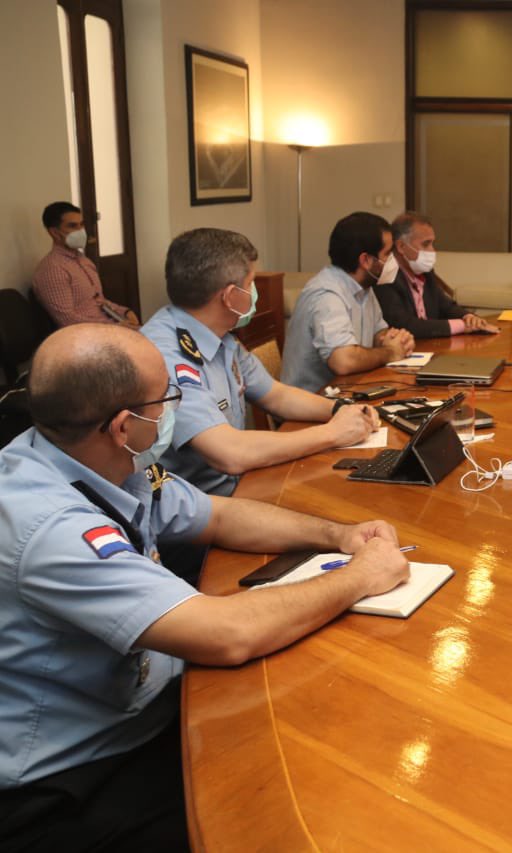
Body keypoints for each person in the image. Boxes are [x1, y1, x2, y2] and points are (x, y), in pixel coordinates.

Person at [0, 323, 409, 851]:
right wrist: (362, 577)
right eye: (167, 398)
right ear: (125, 425)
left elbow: (215, 515)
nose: (173, 409)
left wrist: (338, 535)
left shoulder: (98, 458)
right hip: (71, 778)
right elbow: (225, 633)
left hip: (140, 711)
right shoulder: (47, 524)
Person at [142, 228, 380, 498]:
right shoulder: (165, 356)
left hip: (242, 484)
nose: (255, 292)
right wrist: (333, 434)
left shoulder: (219, 336)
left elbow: (276, 396)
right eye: (251, 283)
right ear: (231, 296)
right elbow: (230, 454)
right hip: (200, 509)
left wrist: (343, 409)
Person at [281, 212, 416, 392]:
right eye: (387, 254)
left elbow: (378, 332)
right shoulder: (326, 295)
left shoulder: (365, 286)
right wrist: (390, 353)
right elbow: (343, 361)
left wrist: (395, 340)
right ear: (366, 260)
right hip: (309, 407)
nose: (393, 260)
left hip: (350, 392)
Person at [374, 211, 498, 338]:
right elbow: (404, 324)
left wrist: (468, 317)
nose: (432, 250)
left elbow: (446, 306)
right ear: (401, 246)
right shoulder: (385, 276)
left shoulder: (426, 272)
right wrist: (462, 325)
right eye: (426, 244)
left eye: (432, 243)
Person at [32, 201, 139, 328]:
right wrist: (115, 327)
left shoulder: (83, 261)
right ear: (54, 233)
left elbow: (98, 301)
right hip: (88, 336)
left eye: (81, 224)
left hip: (109, 326)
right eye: (72, 226)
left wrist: (125, 312)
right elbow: (68, 320)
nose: (80, 231)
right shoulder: (53, 269)